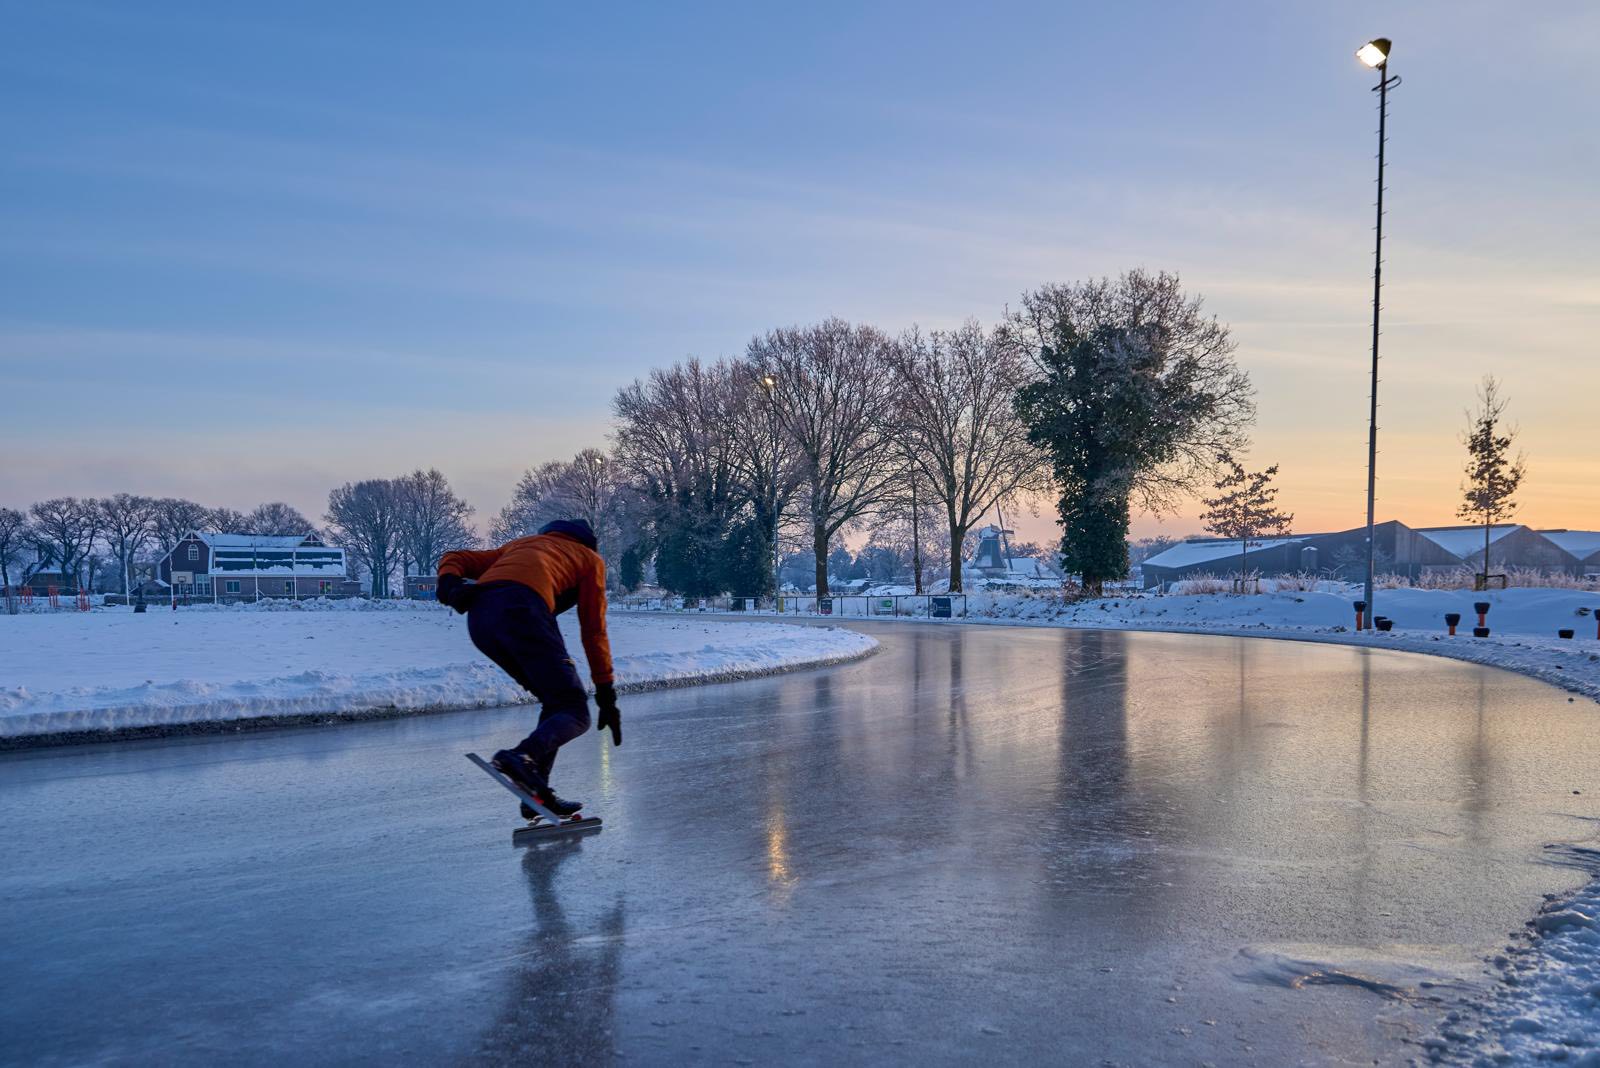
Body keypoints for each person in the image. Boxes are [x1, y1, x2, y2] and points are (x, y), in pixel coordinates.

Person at [436, 519, 622, 816]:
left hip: (481, 620)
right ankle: (521, 757)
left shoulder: (519, 546)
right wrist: (606, 694)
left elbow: (454, 558)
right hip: (523, 610)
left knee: (555, 702)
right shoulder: (590, 559)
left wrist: (450, 585)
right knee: (574, 711)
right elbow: (593, 631)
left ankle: (536, 794)